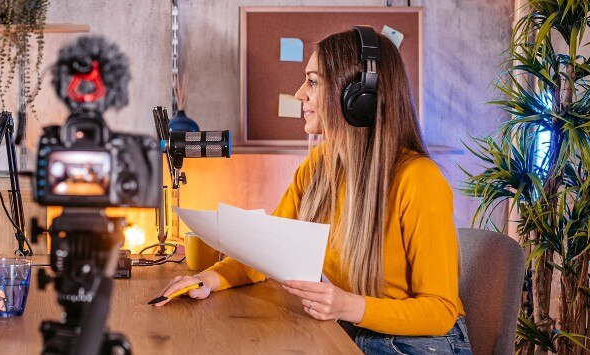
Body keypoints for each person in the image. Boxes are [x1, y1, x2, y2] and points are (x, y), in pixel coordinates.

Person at [152, 27, 471, 354]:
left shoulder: (418, 178)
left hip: (422, 343)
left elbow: (440, 311)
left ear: (359, 97)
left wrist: (347, 306)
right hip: (353, 329)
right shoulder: (319, 166)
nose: (299, 93)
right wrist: (208, 280)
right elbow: (266, 248)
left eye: (314, 82)